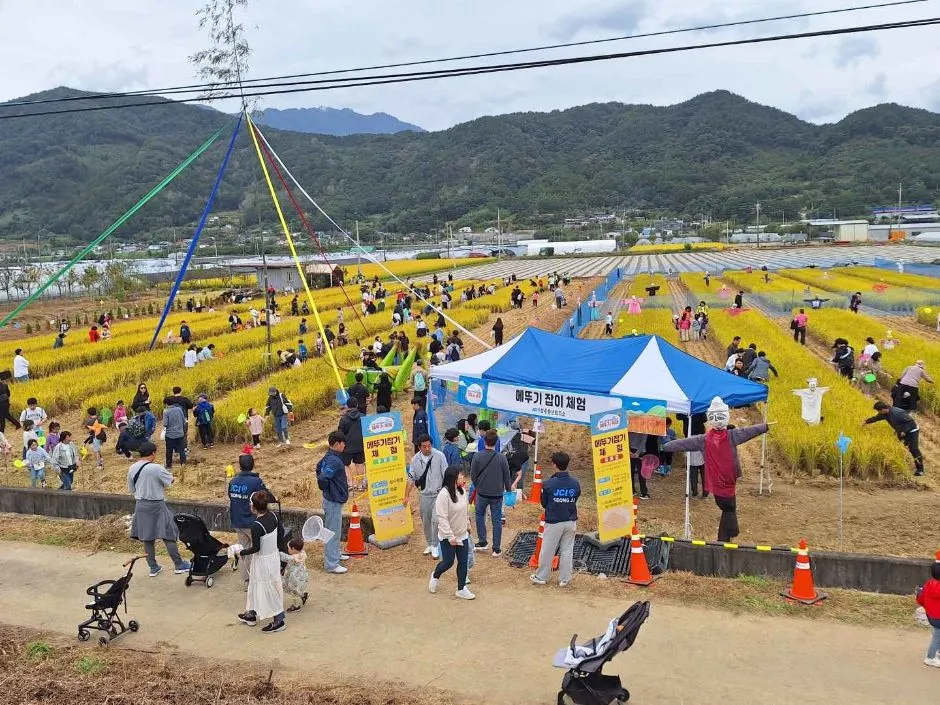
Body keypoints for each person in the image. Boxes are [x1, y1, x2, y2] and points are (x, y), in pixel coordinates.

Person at [663, 397, 769, 542]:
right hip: (729, 479)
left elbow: (683, 443)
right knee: (729, 507)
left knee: (727, 507)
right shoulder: (732, 435)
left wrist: (667, 446)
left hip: (716, 480)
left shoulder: (704, 439)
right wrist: (765, 426)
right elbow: (749, 431)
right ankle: (728, 535)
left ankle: (725, 538)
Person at [127, 442, 191, 578]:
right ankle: (179, 564)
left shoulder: (132, 468)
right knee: (168, 533)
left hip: (141, 505)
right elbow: (170, 481)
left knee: (147, 537)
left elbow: (131, 489)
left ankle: (153, 567)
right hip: (157, 505)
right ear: (153, 453)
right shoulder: (156, 468)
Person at [233, 492, 286, 633]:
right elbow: (280, 535)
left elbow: (256, 548)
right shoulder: (274, 516)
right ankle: (252, 613)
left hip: (262, 560)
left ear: (254, 507)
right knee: (261, 585)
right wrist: (282, 557)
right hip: (273, 556)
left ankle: (279, 620)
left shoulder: (256, 526)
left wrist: (241, 552)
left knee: (265, 587)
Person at [530, 451, 580, 587]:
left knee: (547, 549)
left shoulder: (548, 484)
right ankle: (565, 579)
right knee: (567, 550)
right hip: (570, 520)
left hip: (553, 521)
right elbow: (575, 498)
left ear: (554, 465)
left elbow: (544, 503)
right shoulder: (575, 483)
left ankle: (541, 576)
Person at [428, 465, 474, 600]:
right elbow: (442, 518)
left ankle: (461, 589)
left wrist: (468, 525)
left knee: (463, 561)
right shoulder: (443, 495)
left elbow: (465, 511)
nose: (463, 477)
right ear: (453, 478)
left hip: (462, 533)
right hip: (448, 536)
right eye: (460, 475)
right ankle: (435, 575)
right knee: (448, 562)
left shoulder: (462, 491)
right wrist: (450, 536)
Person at [228, 450, 268, 588]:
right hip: (252, 523)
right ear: (252, 465)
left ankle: (246, 580)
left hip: (237, 521)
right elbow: (265, 497)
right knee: (257, 550)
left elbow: (230, 496)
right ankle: (257, 579)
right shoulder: (256, 482)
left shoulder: (233, 481)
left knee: (244, 551)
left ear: (240, 466)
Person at [470, 429, 512, 557]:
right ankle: (496, 548)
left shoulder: (477, 456)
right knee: (496, 520)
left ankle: (482, 541)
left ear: (484, 441)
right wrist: (508, 490)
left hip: (482, 493)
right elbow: (507, 476)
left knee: (479, 516)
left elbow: (473, 475)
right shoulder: (501, 458)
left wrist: (478, 485)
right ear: (496, 442)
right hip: (497, 494)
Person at [407, 433, 449, 558]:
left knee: (436, 520)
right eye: (424, 446)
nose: (427, 449)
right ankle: (430, 543)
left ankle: (435, 545)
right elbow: (410, 478)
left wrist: (447, 491)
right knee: (426, 521)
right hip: (424, 495)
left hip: (438, 494)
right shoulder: (415, 460)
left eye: (429, 446)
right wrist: (406, 496)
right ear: (419, 447)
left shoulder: (439, 456)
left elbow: (446, 474)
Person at [316, 431, 350, 574]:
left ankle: (335, 554)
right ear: (336, 444)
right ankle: (331, 564)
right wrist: (328, 489)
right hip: (333, 500)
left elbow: (318, 467)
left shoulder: (329, 456)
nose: (344, 445)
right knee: (332, 532)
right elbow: (323, 478)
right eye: (343, 443)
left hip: (332, 499)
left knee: (335, 530)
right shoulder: (334, 461)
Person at [864, 401, 924, 476]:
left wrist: (904, 431)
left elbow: (912, 423)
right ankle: (901, 464)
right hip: (901, 431)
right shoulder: (884, 414)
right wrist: (866, 421)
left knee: (914, 449)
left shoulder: (897, 413)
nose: (878, 412)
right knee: (903, 447)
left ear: (883, 409)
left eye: (879, 411)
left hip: (912, 431)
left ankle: (920, 470)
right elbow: (877, 418)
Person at [915, 552, 940, 667]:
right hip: (938, 618)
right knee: (937, 637)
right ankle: (930, 658)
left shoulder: (929, 584)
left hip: (931, 615)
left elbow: (921, 598)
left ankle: (938, 653)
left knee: (937, 635)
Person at [338, 397, 366, 490]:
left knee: (345, 464)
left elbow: (340, 433)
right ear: (357, 405)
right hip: (360, 445)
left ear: (347, 406)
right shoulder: (363, 416)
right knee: (360, 464)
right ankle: (360, 485)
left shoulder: (344, 419)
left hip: (347, 446)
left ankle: (350, 484)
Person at [280, 537, 309, 612]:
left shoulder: (293, 557)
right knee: (298, 589)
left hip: (294, 578)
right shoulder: (302, 553)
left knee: (294, 591)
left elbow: (285, 558)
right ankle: (303, 595)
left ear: (293, 549)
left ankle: (296, 606)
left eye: (289, 548)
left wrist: (278, 553)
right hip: (302, 575)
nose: (288, 549)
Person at [162, 398, 187, 468]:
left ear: (166, 404)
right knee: (181, 450)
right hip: (180, 433)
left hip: (170, 435)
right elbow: (183, 420)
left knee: (169, 450)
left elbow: (165, 424)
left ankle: (169, 465)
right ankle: (183, 464)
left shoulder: (166, 411)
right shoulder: (179, 409)